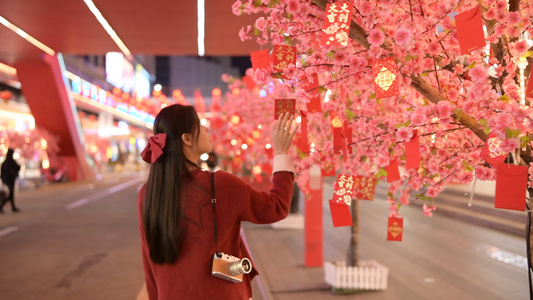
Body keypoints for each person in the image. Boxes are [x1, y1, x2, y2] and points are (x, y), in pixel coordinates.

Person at [137, 104, 298, 300]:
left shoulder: (148, 194)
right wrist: (281, 153)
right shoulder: (220, 184)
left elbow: (150, 266)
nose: (206, 130)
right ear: (187, 139)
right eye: (199, 125)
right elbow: (276, 208)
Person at [0, 148, 21, 213]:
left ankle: (12, 207)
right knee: (10, 194)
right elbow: (17, 168)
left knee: (11, 194)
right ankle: (1, 206)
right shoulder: (10, 162)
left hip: (7, 180)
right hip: (10, 180)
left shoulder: (5, 162)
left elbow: (2, 172)